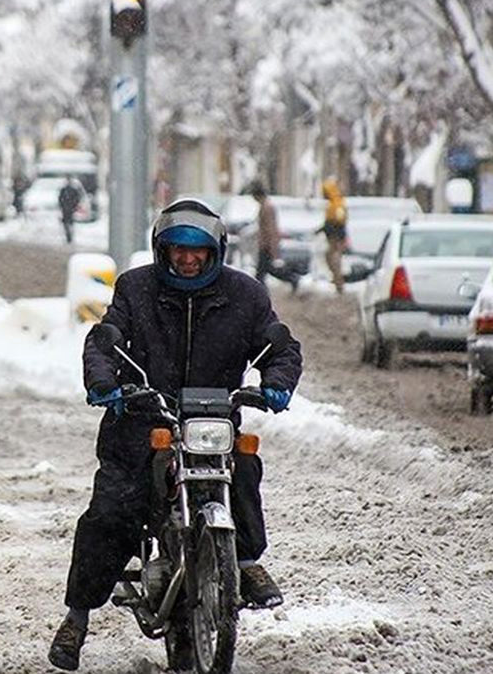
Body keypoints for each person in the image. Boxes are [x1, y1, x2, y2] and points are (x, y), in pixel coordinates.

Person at [47, 198, 303, 671]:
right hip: (141, 424)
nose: (187, 258)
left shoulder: (245, 295)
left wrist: (277, 382)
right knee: (111, 512)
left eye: (198, 250)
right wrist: (105, 381)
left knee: (243, 466)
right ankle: (76, 618)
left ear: (215, 251)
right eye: (177, 249)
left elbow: (278, 345)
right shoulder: (135, 289)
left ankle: (244, 563)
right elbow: (106, 339)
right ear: (161, 249)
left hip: (213, 422)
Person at [249, 182, 301, 292]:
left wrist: (273, 248)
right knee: (265, 270)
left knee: (263, 272)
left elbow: (271, 229)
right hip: (265, 244)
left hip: (266, 245)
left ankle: (291, 279)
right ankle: (291, 279)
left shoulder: (267, 207)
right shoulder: (265, 206)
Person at [318, 177, 348, 293]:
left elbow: (338, 222)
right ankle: (337, 280)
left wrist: (329, 231)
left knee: (334, 259)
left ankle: (338, 282)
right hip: (334, 237)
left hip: (335, 238)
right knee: (332, 258)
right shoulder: (334, 203)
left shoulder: (336, 203)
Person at [58, 175, 82, 244]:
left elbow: (76, 198)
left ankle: (69, 236)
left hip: (69, 208)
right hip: (67, 209)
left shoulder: (70, 190)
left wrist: (73, 205)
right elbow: (60, 199)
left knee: (68, 223)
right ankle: (68, 236)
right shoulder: (65, 190)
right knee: (67, 223)